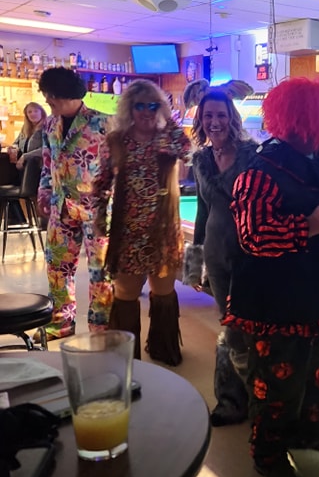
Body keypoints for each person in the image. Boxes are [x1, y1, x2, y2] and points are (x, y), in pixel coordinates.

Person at [223, 77, 319, 477]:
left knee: (317, 372)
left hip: (316, 292)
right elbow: (252, 237)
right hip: (275, 301)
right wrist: (311, 225)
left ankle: (311, 431)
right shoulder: (259, 171)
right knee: (278, 382)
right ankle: (268, 454)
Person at [92, 79, 191, 365]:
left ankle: (164, 348)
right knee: (126, 295)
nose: (147, 112)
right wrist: (99, 216)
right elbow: (100, 184)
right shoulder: (116, 141)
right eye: (140, 106)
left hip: (164, 231)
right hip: (128, 232)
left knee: (164, 293)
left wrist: (169, 123)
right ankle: (125, 357)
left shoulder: (169, 136)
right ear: (129, 108)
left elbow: (189, 152)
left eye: (153, 105)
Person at [185, 83, 256, 426]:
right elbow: (202, 211)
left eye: (221, 115)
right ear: (200, 119)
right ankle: (230, 401)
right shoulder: (200, 160)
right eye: (208, 116)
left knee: (250, 328)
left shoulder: (252, 156)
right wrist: (193, 265)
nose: (215, 122)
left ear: (232, 118)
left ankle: (260, 399)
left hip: (249, 254)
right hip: (215, 254)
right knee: (228, 325)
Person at [36, 67, 113, 340]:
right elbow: (48, 162)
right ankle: (61, 324)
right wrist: (44, 191)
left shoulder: (104, 123)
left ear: (66, 94)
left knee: (101, 272)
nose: (47, 100)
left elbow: (119, 166)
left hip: (97, 210)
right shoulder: (49, 124)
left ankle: (100, 329)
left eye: (50, 95)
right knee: (57, 268)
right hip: (60, 207)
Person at [7, 101, 46, 169]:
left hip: (38, 166)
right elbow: (16, 142)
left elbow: (46, 149)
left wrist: (25, 156)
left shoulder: (47, 128)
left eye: (36, 111)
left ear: (42, 113)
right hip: (23, 164)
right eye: (29, 112)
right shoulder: (25, 128)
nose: (33, 114)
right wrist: (14, 148)